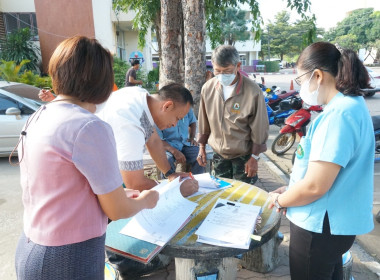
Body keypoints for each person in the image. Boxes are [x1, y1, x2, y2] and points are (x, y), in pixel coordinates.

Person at [14, 36, 159, 280]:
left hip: (31, 245)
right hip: (68, 257)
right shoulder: (89, 126)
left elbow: (61, 187)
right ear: (102, 81)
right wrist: (147, 200)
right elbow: (118, 210)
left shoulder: (39, 115)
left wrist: (118, 193)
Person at [268, 42, 374, 280]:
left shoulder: (338, 115)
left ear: (317, 75)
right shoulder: (351, 106)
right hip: (333, 225)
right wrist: (293, 189)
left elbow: (316, 186)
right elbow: (324, 174)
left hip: (319, 228)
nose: (299, 87)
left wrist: (280, 199)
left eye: (300, 79)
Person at [197, 45, 269, 185]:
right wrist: (201, 147)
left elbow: (259, 126)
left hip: (244, 156)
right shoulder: (208, 88)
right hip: (218, 154)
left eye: (227, 71)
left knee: (243, 196)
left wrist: (254, 157)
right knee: (220, 192)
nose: (222, 75)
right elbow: (203, 119)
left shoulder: (252, 91)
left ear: (238, 66)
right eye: (217, 71)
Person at [156, 108, 205, 176]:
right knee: (167, 160)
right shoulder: (160, 112)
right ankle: (170, 184)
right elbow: (157, 140)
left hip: (185, 143)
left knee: (199, 155)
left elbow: (192, 122)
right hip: (167, 146)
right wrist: (175, 152)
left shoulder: (186, 107)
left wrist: (192, 137)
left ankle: (197, 181)